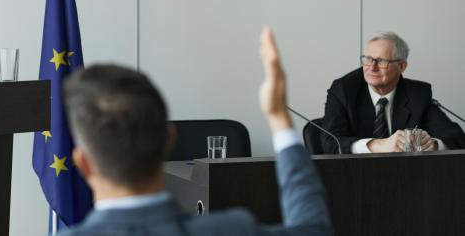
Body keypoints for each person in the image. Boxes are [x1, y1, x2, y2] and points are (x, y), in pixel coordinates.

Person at [58, 28, 332, 236]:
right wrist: (278, 117)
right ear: (170, 140)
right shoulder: (234, 229)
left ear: (83, 163)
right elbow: (314, 228)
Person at [322, 32, 465, 154]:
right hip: (354, 175)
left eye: (381, 61)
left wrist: (433, 145)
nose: (372, 67)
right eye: (367, 59)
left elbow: (457, 138)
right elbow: (330, 143)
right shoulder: (344, 90)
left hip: (405, 177)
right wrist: (378, 145)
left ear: (402, 66)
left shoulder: (418, 94)